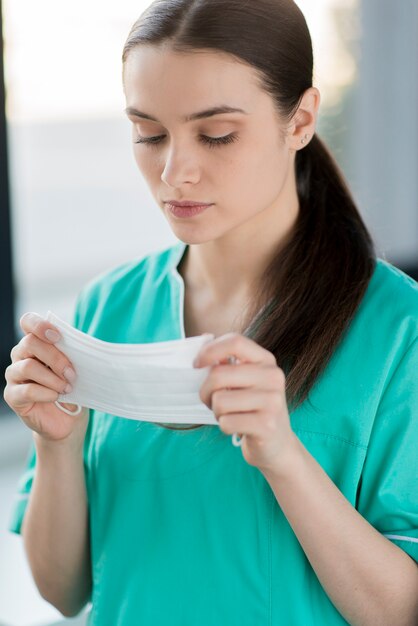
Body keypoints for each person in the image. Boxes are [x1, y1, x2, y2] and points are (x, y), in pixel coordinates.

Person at [4, 1, 418, 624]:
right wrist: (57, 445)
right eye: (148, 133)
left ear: (301, 119)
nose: (175, 171)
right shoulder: (105, 310)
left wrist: (283, 455)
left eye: (216, 135)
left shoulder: (398, 332)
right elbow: (63, 592)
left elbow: (399, 612)